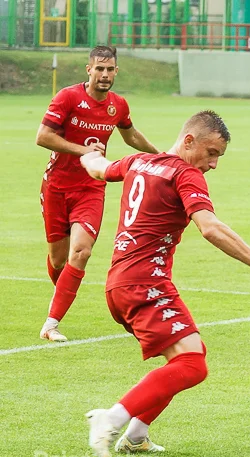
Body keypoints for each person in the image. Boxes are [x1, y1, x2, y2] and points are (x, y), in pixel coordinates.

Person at [79, 111, 250, 457]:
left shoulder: (139, 161)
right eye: (211, 153)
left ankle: (136, 436)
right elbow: (210, 228)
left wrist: (89, 153)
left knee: (189, 353)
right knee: (192, 365)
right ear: (188, 141)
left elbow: (98, 168)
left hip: (118, 284)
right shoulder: (186, 173)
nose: (213, 164)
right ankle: (113, 419)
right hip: (145, 282)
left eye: (219, 157)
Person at [37, 45, 159, 343]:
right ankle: (61, 293)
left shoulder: (118, 105)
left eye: (110, 69)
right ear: (88, 69)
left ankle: (51, 324)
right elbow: (43, 137)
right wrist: (84, 151)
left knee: (82, 251)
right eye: (99, 69)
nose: (104, 75)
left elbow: (130, 135)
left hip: (91, 188)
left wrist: (161, 156)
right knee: (58, 260)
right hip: (56, 187)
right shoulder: (68, 97)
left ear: (116, 71)